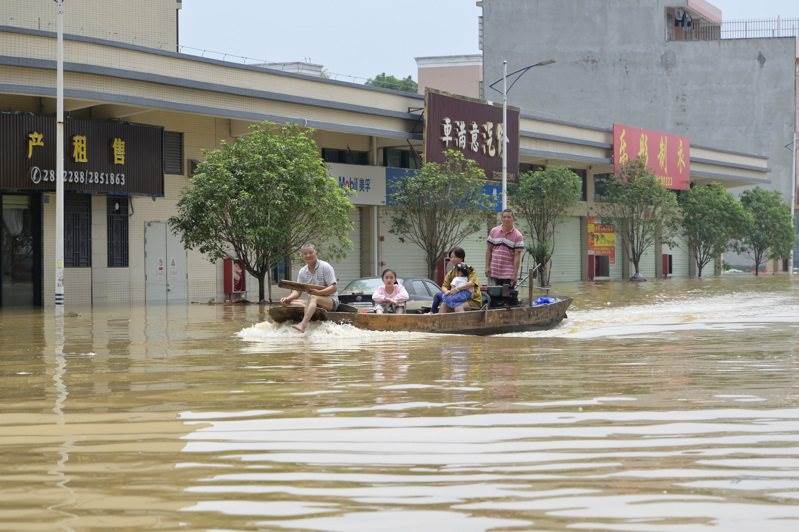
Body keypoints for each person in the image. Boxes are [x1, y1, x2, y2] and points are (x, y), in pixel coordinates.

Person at [279, 243, 338, 333]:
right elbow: (297, 292)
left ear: (315, 252)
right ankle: (300, 321)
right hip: (314, 301)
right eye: (305, 254)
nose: (308, 255)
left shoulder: (325, 266)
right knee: (288, 302)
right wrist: (288, 298)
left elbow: (333, 288)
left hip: (331, 301)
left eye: (310, 252)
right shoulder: (302, 271)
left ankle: (303, 325)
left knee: (313, 297)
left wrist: (318, 293)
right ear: (301, 256)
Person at [485, 208, 525, 286]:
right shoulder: (494, 231)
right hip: (493, 272)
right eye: (504, 217)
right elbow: (489, 250)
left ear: (513, 218)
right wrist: (487, 267)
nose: (506, 219)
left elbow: (517, 257)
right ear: (501, 218)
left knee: (507, 297)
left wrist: (515, 274)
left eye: (509, 217)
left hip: (508, 274)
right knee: (493, 296)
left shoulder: (518, 235)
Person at [439, 247, 483, 313]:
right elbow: (444, 286)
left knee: (458, 307)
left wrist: (457, 289)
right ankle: (441, 322)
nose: (452, 259)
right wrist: (447, 292)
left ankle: (463, 323)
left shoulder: (470, 270)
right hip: (456, 299)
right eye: (451, 257)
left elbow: (472, 283)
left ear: (461, 258)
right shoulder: (450, 273)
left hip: (472, 300)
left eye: (455, 257)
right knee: (444, 305)